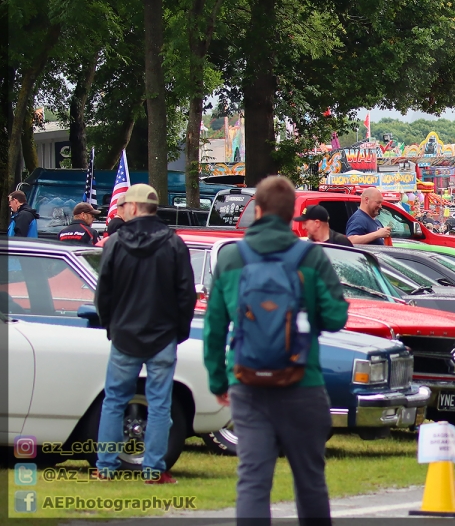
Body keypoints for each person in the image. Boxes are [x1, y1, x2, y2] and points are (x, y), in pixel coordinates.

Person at [204, 176, 348, 518]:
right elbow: (334, 318)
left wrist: (218, 381)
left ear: (258, 210)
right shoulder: (310, 257)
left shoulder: (231, 258)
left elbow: (214, 328)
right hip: (303, 381)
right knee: (310, 480)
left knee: (253, 480)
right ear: (291, 216)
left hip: (247, 382)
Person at [95, 184, 195, 483]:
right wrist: (179, 330)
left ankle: (106, 466)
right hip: (163, 336)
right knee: (160, 404)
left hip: (125, 334)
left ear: (135, 207)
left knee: (114, 400)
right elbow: (185, 294)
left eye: (123, 205)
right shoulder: (174, 243)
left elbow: (104, 294)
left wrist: (110, 325)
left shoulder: (114, 243)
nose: (120, 210)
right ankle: (153, 469)